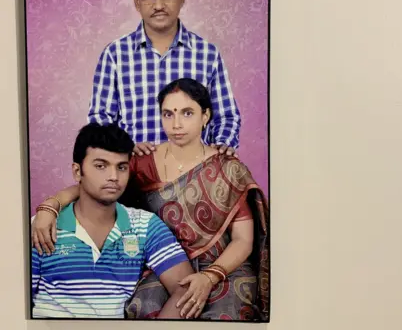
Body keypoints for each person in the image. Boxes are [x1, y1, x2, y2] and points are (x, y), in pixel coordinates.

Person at [32, 79, 270, 321]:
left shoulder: (228, 167)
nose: (176, 124)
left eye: (187, 113)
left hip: (224, 267)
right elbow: (95, 186)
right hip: (163, 263)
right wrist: (50, 206)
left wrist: (210, 276)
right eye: (168, 114)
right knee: (140, 308)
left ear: (205, 115)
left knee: (228, 316)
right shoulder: (143, 161)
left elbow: (243, 240)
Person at [31, 123, 196, 318]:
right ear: (77, 172)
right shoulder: (42, 226)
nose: (113, 177)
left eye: (122, 167)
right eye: (101, 166)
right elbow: (13, 302)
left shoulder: (144, 225)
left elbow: (185, 288)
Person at [87, 0, 241, 158]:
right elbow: (100, 119)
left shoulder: (207, 54)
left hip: (194, 176)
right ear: (136, 1)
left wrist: (220, 148)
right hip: (134, 176)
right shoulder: (115, 55)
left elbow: (226, 117)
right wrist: (125, 146)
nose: (158, 5)